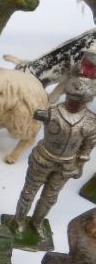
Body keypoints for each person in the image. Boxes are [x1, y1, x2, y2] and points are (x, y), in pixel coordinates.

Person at [14, 76, 96, 231]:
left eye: (80, 100)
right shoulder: (51, 112)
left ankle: (36, 223)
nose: (74, 102)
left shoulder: (91, 121)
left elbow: (88, 146)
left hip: (67, 165)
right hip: (42, 159)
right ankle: (19, 221)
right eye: (72, 98)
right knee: (29, 193)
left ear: (87, 100)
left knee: (50, 197)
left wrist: (79, 166)